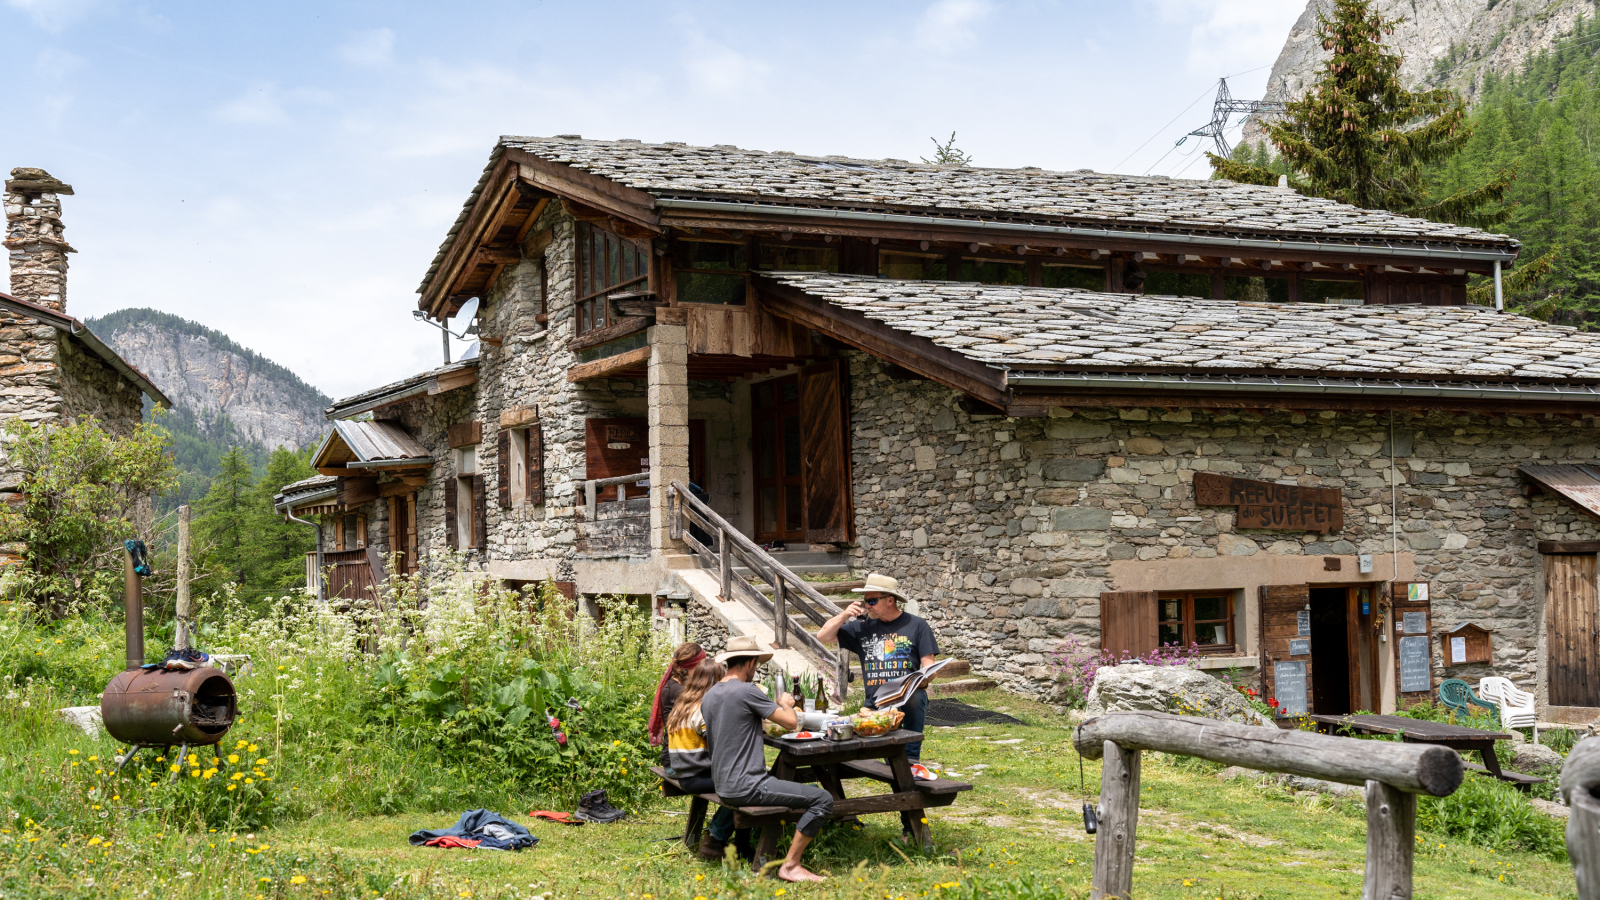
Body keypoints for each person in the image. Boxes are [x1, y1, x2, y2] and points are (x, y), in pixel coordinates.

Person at [817, 572, 938, 837]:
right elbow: (823, 636)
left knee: (905, 764)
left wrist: (925, 677)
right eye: (865, 600)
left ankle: (911, 828)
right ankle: (845, 815)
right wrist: (844, 615)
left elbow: (928, 663)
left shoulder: (916, 625)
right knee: (852, 758)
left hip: (908, 702)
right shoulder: (861, 627)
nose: (867, 605)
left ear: (890, 600)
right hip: (875, 706)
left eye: (872, 601)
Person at [701, 635, 831, 883]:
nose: (755, 670)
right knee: (822, 799)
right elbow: (791, 723)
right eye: (756, 665)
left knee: (780, 779)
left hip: (724, 784)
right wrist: (785, 703)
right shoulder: (747, 690)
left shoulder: (711, 693)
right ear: (749, 663)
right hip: (748, 787)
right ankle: (791, 865)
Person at [663, 656, 742, 861]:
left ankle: (728, 835)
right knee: (743, 784)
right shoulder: (703, 709)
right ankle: (715, 837)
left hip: (685, 772)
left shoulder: (682, 705)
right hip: (696, 775)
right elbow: (720, 746)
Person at [649, 642, 707, 761]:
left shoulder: (679, 686)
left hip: (680, 757)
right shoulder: (678, 691)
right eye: (701, 665)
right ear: (691, 667)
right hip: (677, 761)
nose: (703, 670)